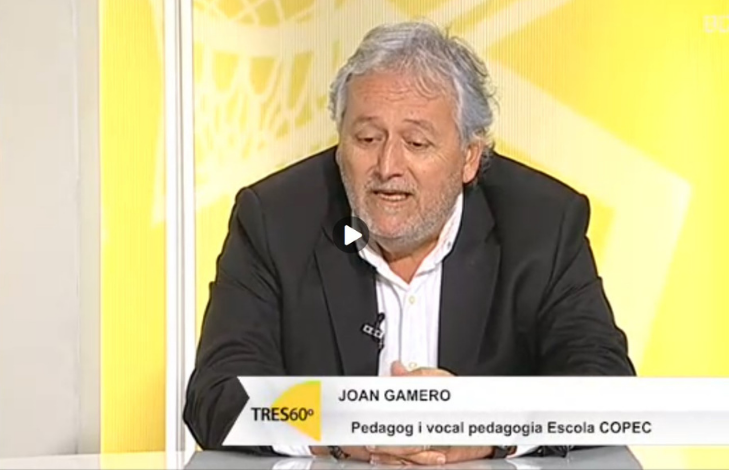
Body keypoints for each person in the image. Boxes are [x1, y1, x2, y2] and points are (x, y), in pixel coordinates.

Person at [184, 21, 635, 466]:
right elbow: (220, 394)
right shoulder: (276, 220)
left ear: (470, 158)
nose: (387, 166)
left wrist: (487, 427)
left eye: (417, 143)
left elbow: (604, 387)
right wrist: (343, 426)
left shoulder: (542, 224)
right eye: (366, 138)